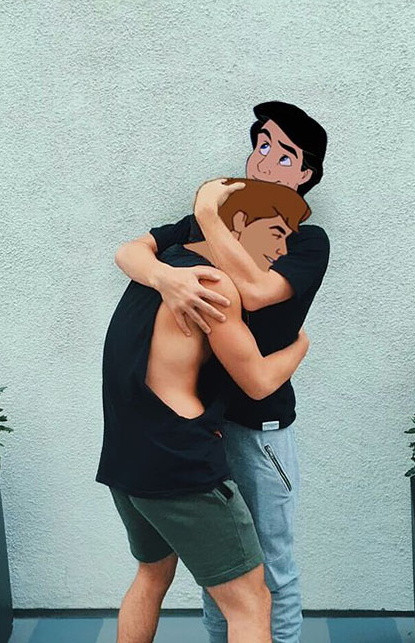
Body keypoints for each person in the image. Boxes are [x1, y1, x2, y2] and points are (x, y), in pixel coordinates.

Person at [114, 101, 329, 643]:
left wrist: (207, 221)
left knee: (263, 572)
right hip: (198, 433)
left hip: (255, 430)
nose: (265, 160)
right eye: (261, 146)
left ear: (306, 174)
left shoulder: (306, 241)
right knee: (233, 585)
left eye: (284, 155)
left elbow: (258, 290)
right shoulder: (205, 254)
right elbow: (130, 251)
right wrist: (167, 278)